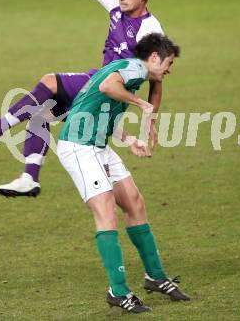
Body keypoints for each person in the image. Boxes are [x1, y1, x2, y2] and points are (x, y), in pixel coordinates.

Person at [0, 0, 164, 197]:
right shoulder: (115, 6)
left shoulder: (150, 30)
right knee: (40, 114)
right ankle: (29, 178)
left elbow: (157, 78)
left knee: (49, 82)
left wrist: (150, 119)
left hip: (107, 89)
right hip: (98, 82)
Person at [56, 33, 190, 313]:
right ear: (154, 57)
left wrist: (129, 139)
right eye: (168, 63)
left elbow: (100, 108)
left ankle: (155, 276)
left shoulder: (130, 72)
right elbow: (107, 87)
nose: (168, 70)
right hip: (80, 147)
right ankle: (117, 290)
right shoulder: (135, 68)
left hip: (98, 145)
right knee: (106, 212)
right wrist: (142, 105)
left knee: (134, 203)